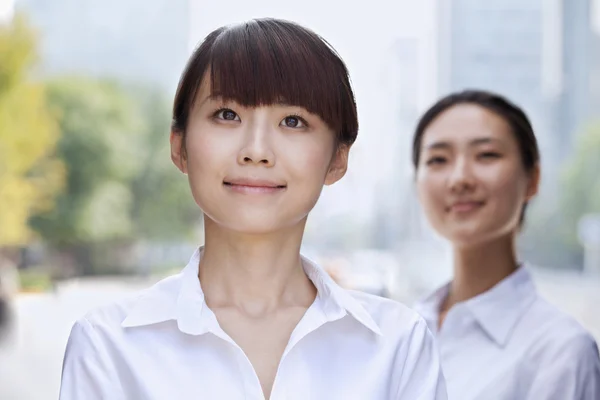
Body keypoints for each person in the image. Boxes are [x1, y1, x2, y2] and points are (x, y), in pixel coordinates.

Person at [59, 18, 447, 399]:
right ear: (179, 146)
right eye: (227, 115)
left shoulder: (398, 345)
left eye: (293, 121)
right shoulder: (107, 346)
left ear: (337, 159)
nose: (257, 151)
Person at [411, 89, 600, 399]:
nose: (459, 178)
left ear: (532, 178)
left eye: (487, 155)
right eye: (438, 159)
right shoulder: (402, 328)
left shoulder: (560, 352)